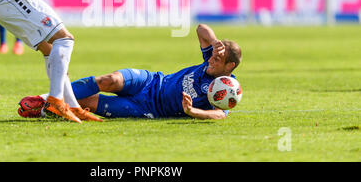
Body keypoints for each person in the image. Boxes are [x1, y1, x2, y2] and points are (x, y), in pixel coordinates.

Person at [18, 24, 242, 120]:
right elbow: (200, 29)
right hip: (151, 81)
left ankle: (42, 111)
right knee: (110, 79)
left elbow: (220, 115)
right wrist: (214, 42)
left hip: (146, 108)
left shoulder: (226, 90)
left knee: (87, 104)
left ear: (229, 67)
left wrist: (193, 112)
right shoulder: (210, 61)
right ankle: (44, 99)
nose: (212, 59)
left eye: (218, 58)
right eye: (213, 55)